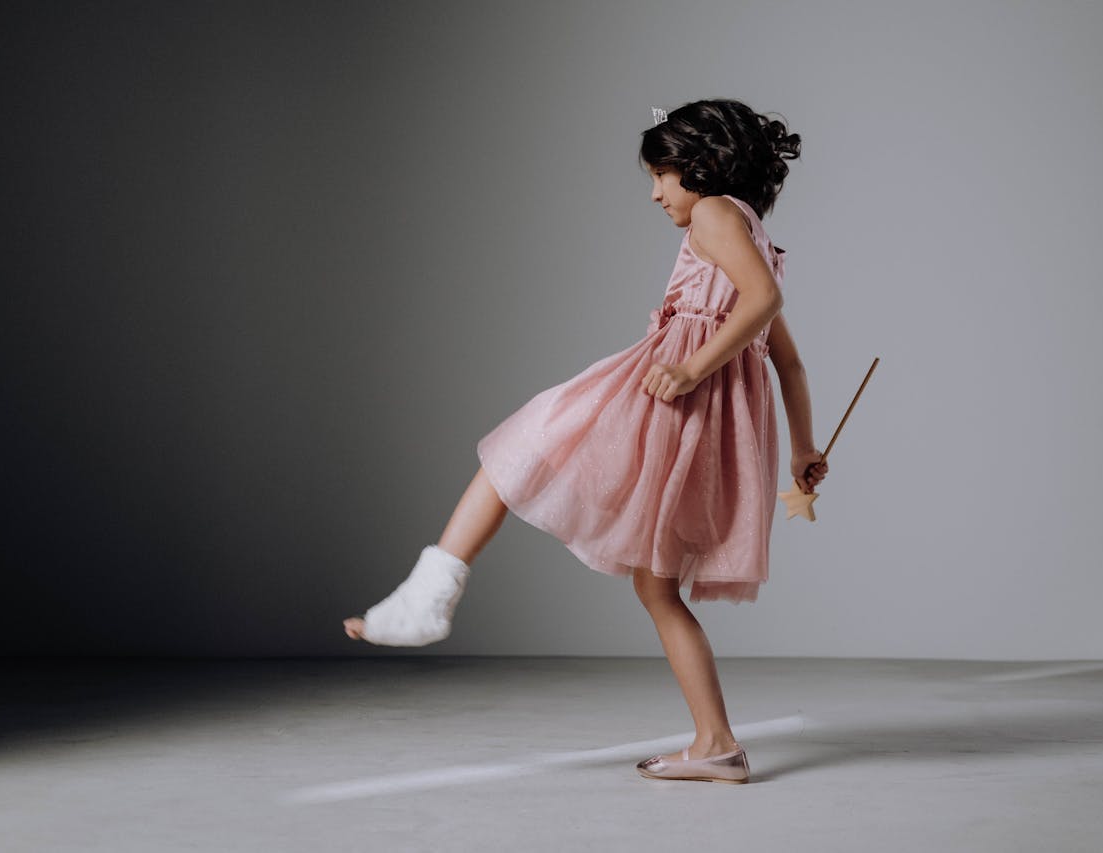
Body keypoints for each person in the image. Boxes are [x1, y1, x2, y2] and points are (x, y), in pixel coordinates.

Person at [343, 98, 828, 783]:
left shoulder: (717, 213)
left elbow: (763, 307)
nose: (655, 192)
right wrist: (803, 449)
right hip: (702, 416)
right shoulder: (752, 234)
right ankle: (716, 742)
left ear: (703, 166)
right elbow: (787, 359)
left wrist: (689, 364)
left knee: (525, 447)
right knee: (655, 588)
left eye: (662, 173)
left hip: (676, 399)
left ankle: (429, 594)